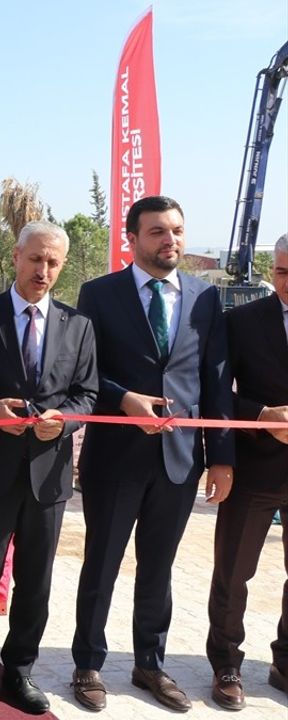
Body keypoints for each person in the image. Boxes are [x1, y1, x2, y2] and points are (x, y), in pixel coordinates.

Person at [70, 195, 235, 712]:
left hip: (179, 460)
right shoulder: (99, 294)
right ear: (133, 238)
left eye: (178, 232)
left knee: (158, 568)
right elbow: (80, 372)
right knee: (101, 564)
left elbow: (215, 380)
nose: (172, 241)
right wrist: (123, 399)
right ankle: (87, 666)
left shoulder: (206, 299)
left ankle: (149, 664)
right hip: (115, 459)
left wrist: (221, 456)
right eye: (159, 232)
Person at [0, 221, 98, 716]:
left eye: (53, 263)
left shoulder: (78, 326)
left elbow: (88, 395)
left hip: (49, 476)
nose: (43, 270)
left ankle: (19, 670)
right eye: (35, 259)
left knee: (35, 581)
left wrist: (63, 423)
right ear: (16, 257)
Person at [206, 233, 288, 710]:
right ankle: (226, 663)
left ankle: (284, 663)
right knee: (234, 573)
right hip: (254, 469)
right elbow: (215, 395)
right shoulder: (239, 322)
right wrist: (261, 415)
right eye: (281, 272)